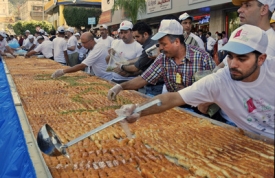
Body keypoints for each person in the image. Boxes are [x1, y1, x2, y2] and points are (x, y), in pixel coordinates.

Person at [116, 25, 274, 140]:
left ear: (261, 59)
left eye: (242, 58)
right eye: (230, 56)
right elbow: (172, 98)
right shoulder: (219, 79)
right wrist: (138, 110)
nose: (232, 64)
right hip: (250, 141)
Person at [108, 19, 216, 101]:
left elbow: (216, 86)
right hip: (175, 107)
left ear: (177, 42)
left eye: (164, 44)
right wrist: (120, 86)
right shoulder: (163, 58)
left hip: (199, 109)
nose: (160, 48)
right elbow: (143, 79)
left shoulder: (202, 57)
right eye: (159, 44)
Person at [113, 21, 163, 96]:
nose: (136, 39)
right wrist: (126, 63)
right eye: (134, 37)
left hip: (155, 86)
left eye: (137, 37)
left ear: (145, 34)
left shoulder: (150, 47)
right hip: (152, 83)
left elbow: (135, 68)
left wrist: (121, 67)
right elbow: (140, 59)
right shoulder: (151, 43)